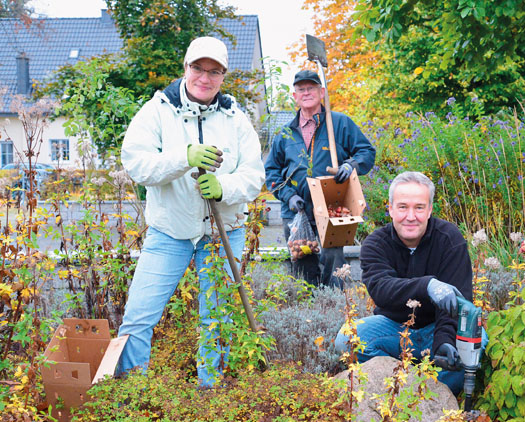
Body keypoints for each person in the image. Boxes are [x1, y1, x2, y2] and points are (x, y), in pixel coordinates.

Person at [117, 37, 265, 387]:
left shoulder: (236, 118)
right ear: (186, 68)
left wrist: (224, 187)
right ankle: (131, 396)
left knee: (215, 320)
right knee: (138, 317)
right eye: (198, 68)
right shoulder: (157, 111)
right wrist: (184, 157)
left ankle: (209, 396)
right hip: (169, 232)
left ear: (223, 76)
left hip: (222, 234)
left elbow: (254, 176)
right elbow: (136, 164)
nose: (205, 77)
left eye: (214, 71)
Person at [334, 171, 485, 396]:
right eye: (403, 207)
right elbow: (382, 290)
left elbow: (458, 303)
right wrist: (427, 286)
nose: (411, 216)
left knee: (477, 342)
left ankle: (428, 395)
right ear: (391, 209)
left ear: (430, 210)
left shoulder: (449, 239)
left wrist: (444, 342)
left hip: (437, 329)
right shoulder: (375, 244)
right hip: (394, 329)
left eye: (419, 207)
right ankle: (399, 388)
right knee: (347, 338)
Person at [264, 70, 375, 288]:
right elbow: (272, 172)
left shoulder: (339, 124)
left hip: (332, 206)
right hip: (297, 211)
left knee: (333, 260)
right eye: (301, 89)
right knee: (302, 261)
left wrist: (350, 165)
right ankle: (309, 312)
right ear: (294, 96)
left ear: (321, 92)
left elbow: (367, 152)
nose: (306, 93)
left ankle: (334, 306)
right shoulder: (285, 133)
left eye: (311, 88)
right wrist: (288, 196)